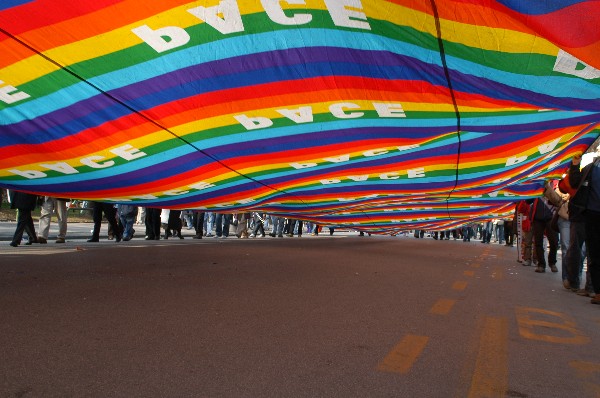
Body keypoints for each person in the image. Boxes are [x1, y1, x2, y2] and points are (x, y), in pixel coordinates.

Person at [568, 151, 600, 304]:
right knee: (593, 253)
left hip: (591, 215)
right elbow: (574, 182)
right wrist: (575, 165)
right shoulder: (591, 168)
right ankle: (596, 290)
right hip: (591, 215)